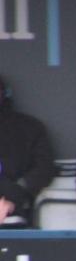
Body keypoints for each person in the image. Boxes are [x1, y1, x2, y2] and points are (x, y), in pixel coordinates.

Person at [0, 75, 56, 227]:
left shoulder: (29, 127)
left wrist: (14, 193)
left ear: (3, 93)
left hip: (15, 207)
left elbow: (44, 168)